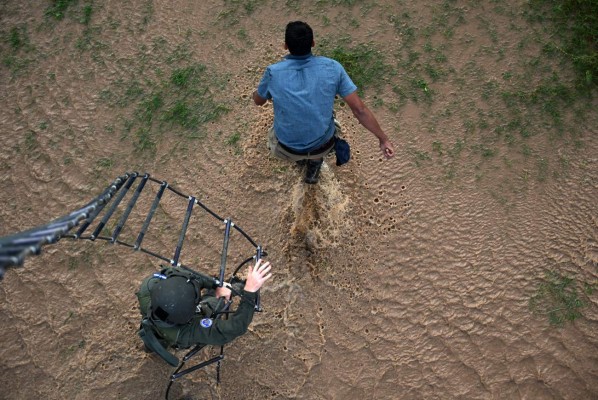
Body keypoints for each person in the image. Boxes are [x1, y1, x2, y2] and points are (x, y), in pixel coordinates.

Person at [253, 21, 395, 184]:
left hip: (287, 147)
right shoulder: (333, 68)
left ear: (285, 46)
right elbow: (359, 110)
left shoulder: (273, 73)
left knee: (275, 134)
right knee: (327, 130)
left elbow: (259, 101)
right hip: (322, 146)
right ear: (313, 43)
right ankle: (314, 166)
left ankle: (299, 161)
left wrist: (259, 93)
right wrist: (383, 139)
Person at [136, 259, 272, 364]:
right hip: (175, 336)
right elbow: (235, 327)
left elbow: (182, 275)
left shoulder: (148, 287)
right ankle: (237, 287)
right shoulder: (187, 331)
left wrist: (216, 285)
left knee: (154, 345)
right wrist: (249, 292)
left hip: (154, 325)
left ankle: (150, 349)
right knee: (215, 303)